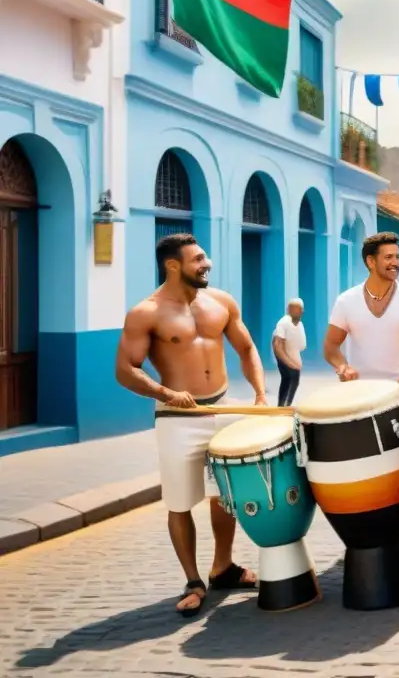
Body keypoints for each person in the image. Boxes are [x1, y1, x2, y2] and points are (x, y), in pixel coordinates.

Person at [114, 233, 267, 617]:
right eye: (198, 259)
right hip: (178, 417)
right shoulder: (145, 313)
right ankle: (193, 580)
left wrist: (261, 395)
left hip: (224, 409)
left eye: (205, 257)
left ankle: (224, 567)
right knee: (180, 502)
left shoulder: (221, 302)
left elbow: (246, 348)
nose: (207, 263)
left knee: (225, 495)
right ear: (172, 265)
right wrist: (165, 392)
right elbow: (124, 370)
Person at [323, 231, 399, 400]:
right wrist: (343, 366)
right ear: (371, 261)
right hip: (359, 392)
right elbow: (331, 346)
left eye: (397, 257)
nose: (395, 263)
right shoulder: (346, 301)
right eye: (388, 257)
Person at [272, 298, 306, 406]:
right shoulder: (283, 323)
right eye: (292, 309)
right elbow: (277, 345)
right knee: (288, 378)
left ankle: (287, 405)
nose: (296, 311)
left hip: (293, 355)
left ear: (302, 311)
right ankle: (282, 406)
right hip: (283, 355)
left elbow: (299, 344)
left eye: (298, 309)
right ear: (288, 310)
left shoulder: (299, 324)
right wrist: (288, 362)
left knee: (294, 380)